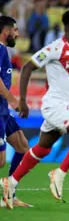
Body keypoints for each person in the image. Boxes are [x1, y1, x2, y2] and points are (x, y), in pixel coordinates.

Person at [0, 10, 69, 210]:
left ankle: (11, 183)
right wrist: (21, 100)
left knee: (42, 147)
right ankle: (59, 173)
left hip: (63, 105)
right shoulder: (55, 48)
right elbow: (27, 68)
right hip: (54, 104)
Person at [0, 15, 32, 208]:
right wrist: (13, 100)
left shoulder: (4, 50)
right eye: (15, 30)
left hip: (3, 109)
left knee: (21, 146)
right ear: (5, 31)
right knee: (1, 161)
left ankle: (9, 195)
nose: (17, 34)